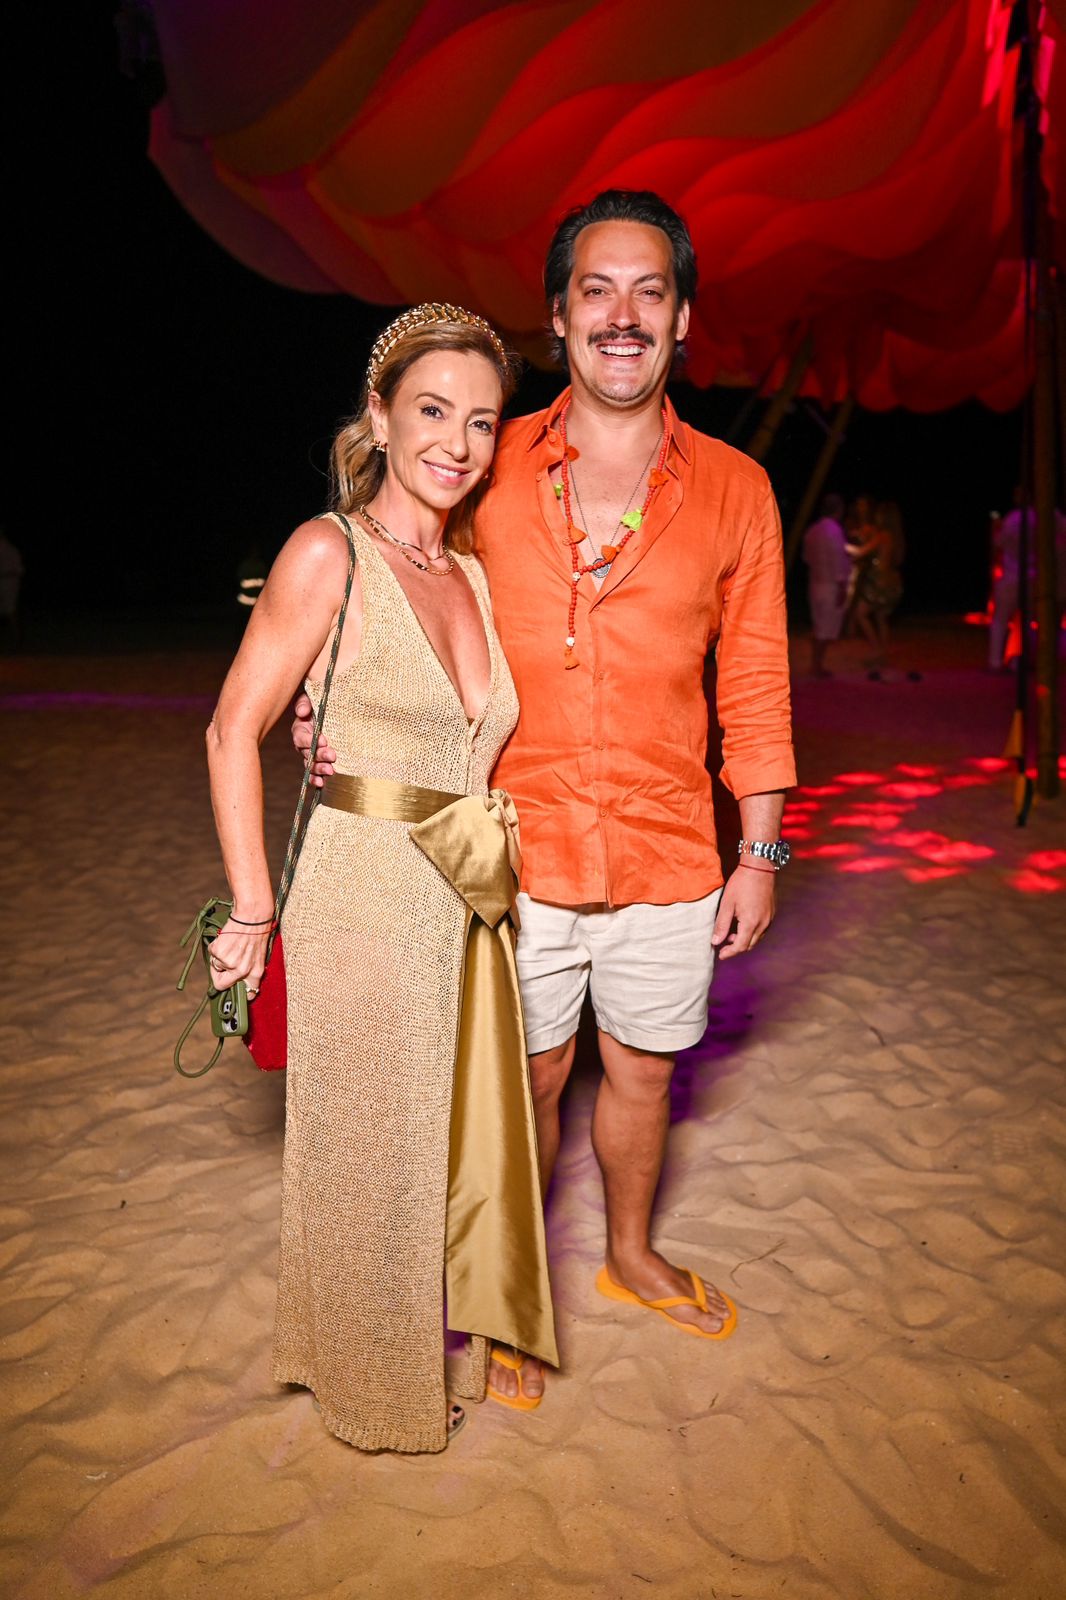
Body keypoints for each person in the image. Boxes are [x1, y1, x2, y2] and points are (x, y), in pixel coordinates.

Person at [297, 191, 796, 1406]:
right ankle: (509, 1294)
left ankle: (628, 1252)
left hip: (672, 847)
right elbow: (384, 560)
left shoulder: (738, 489)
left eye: (649, 292)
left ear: (682, 320)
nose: (623, 315)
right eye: (596, 290)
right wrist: (328, 696)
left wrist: (760, 850)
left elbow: (755, 677)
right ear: (558, 315)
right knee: (519, 1080)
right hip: (509, 847)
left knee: (645, 1070)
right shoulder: (487, 458)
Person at [205, 304, 556, 1454]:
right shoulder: (329, 552)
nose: (457, 441)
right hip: (360, 895)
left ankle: (379, 1346)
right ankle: (374, 1393)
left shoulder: (470, 573)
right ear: (380, 415)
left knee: (432, 1147)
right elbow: (232, 728)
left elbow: (460, 739)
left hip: (463, 899)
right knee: (370, 1150)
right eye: (433, 411)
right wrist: (253, 907)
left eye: (481, 421)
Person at [849, 498, 903, 672]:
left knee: (860, 614)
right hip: (891, 581)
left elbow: (860, 552)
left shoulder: (882, 535)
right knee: (881, 619)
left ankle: (876, 650)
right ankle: (883, 656)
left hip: (879, 582)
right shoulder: (895, 537)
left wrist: (840, 545)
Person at [802, 493, 851, 676]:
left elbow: (807, 558)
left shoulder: (813, 530)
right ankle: (816, 666)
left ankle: (816, 664)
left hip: (815, 584)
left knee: (819, 625)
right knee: (825, 628)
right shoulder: (834, 531)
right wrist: (842, 587)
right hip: (830, 586)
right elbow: (838, 561)